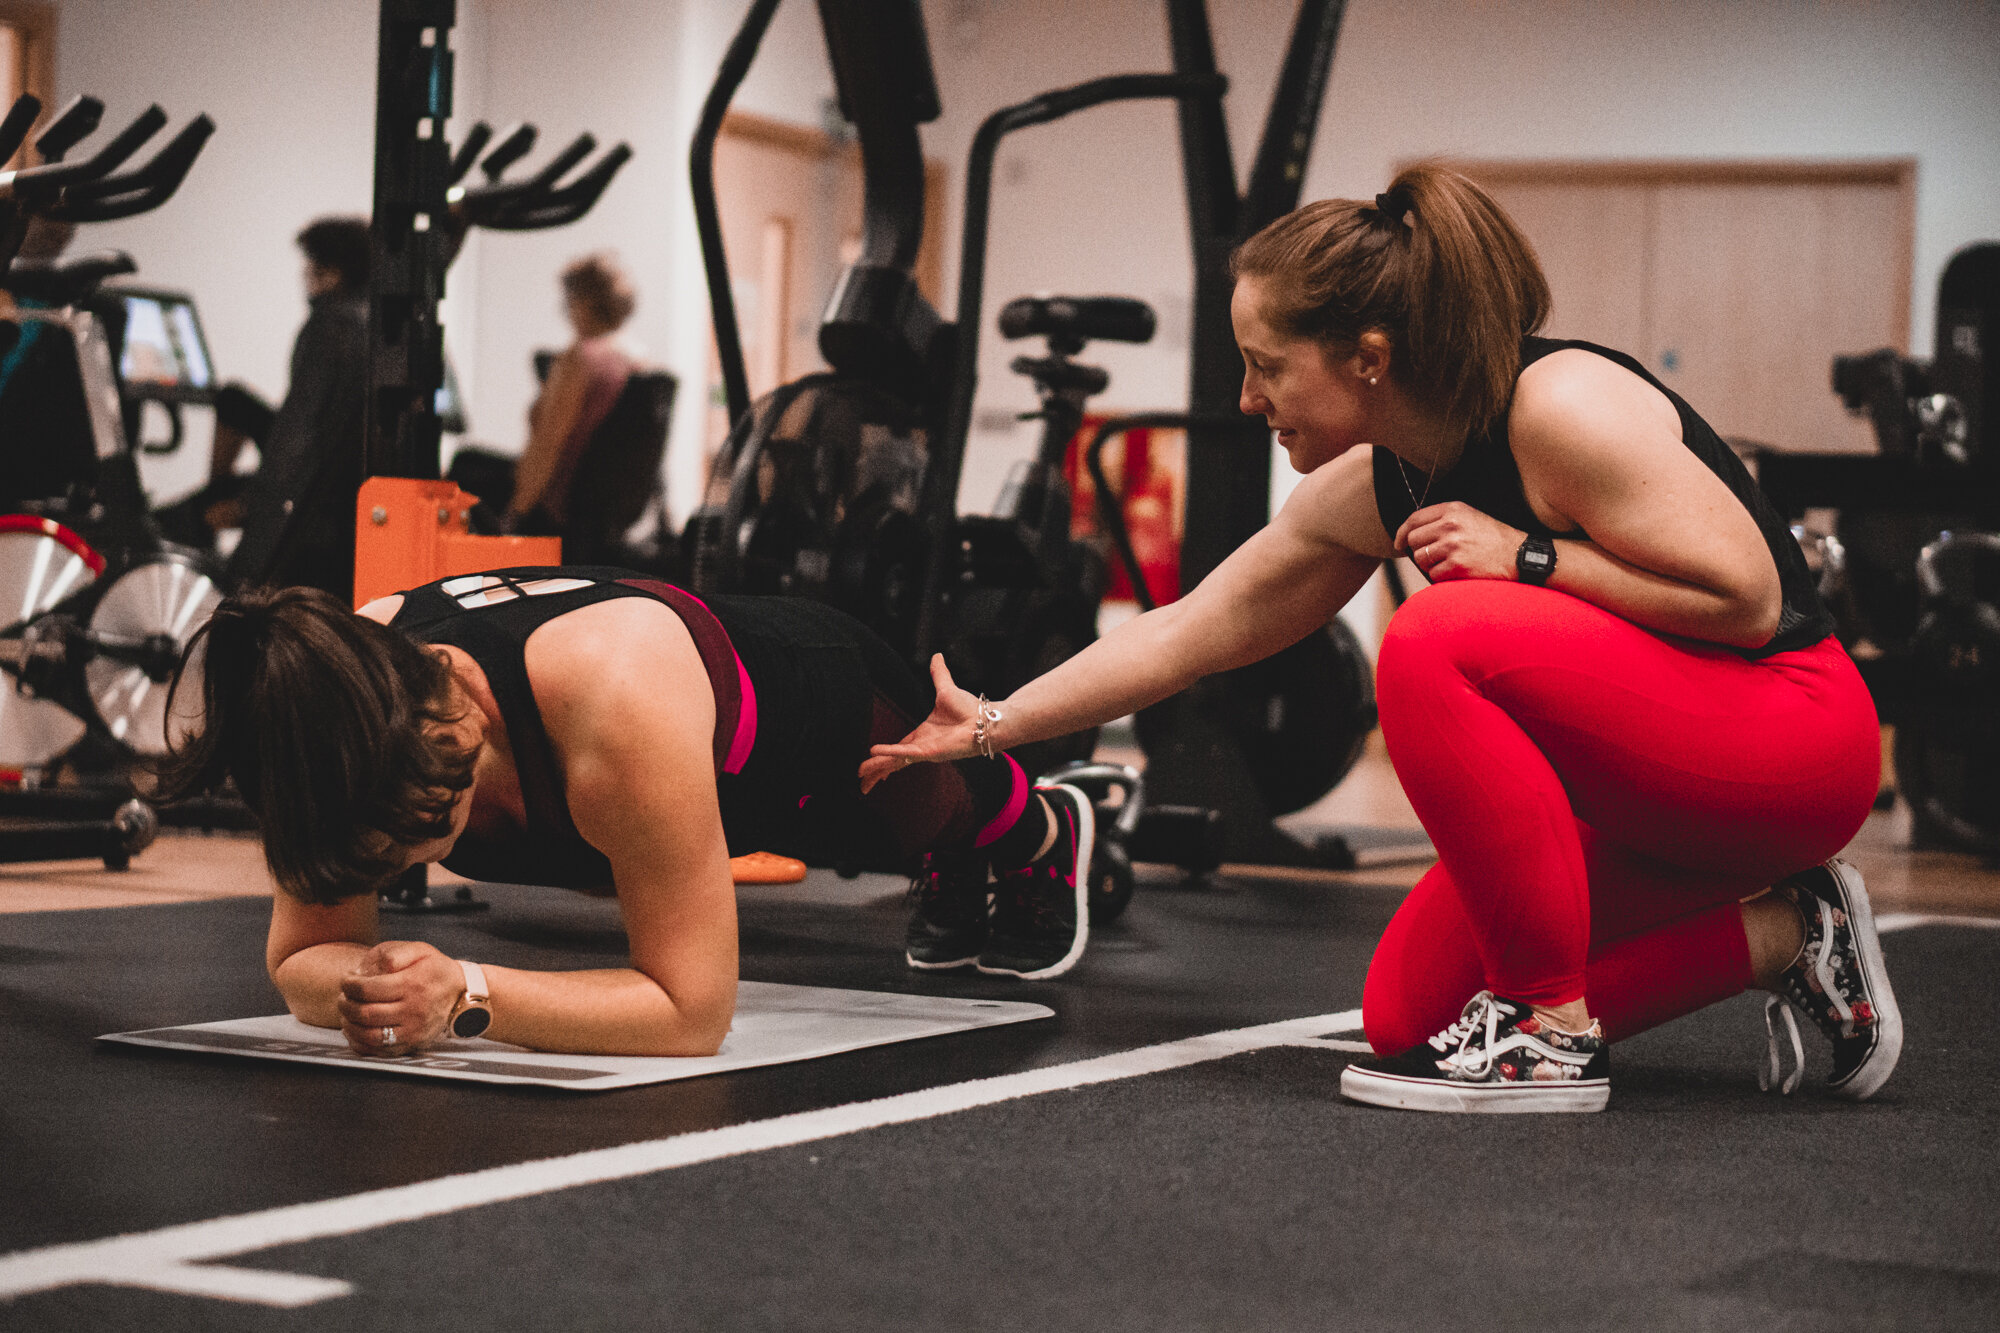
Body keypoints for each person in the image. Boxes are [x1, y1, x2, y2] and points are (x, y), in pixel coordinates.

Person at [863, 163, 1898, 1113]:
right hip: (1635, 788)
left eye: (1265, 366)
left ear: (1366, 359)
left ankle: (1546, 1030)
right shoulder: (1377, 482)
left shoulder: (1560, 409)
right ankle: (1788, 934)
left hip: (1790, 742)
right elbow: (1188, 630)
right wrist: (991, 724)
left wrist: (1528, 558)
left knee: (1438, 632)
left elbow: (1749, 603)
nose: (1244, 399)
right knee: (1410, 1022)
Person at [155, 566, 1095, 1058]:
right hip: (665, 758)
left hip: (821, 708)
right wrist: (372, 979)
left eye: (411, 840)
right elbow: (299, 962)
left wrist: (466, 995)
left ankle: (1055, 827)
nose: (390, 867)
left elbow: (691, 1011)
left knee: (959, 818)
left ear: (457, 724)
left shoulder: (612, 705)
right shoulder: (332, 709)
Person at [155, 216, 369, 598]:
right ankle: (217, 490)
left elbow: (296, 441)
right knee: (233, 399)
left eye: (311, 266)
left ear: (331, 272)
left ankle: (210, 512)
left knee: (171, 522)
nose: (306, 276)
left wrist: (250, 515)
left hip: (310, 504)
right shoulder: (375, 321)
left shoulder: (329, 326)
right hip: (341, 489)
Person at [502, 251, 642, 537]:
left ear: (584, 304)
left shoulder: (578, 360)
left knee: (467, 464)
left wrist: (515, 515)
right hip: (598, 514)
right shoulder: (635, 361)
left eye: (569, 300)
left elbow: (549, 445)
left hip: (556, 509)